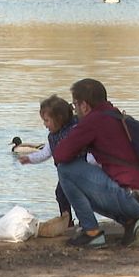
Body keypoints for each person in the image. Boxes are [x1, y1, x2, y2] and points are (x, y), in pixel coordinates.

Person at [53, 78, 139, 249]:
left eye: (75, 105)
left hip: (134, 199)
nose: (74, 110)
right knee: (92, 179)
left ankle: (91, 233)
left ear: (84, 105)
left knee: (66, 170)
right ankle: (131, 223)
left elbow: (60, 155)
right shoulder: (116, 115)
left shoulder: (93, 121)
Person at [18, 94, 97, 227]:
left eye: (47, 121)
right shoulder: (54, 136)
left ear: (59, 119)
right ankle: (67, 222)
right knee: (61, 194)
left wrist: (90, 164)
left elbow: (91, 151)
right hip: (66, 175)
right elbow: (46, 152)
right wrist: (30, 159)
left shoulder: (76, 130)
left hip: (82, 171)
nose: (45, 125)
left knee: (80, 198)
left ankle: (86, 223)